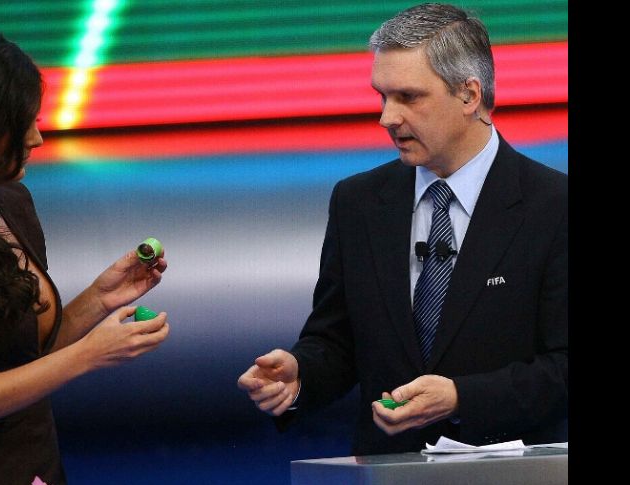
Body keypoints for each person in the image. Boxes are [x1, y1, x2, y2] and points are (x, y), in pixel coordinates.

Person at [237, 2, 567, 455]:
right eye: (382, 96)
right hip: (387, 468)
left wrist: (459, 398)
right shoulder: (358, 202)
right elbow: (336, 342)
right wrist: (299, 376)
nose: (387, 118)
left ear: (469, 96)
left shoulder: (554, 206)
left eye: (408, 97)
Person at [0, 27, 171, 483]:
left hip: (38, 467)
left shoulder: (11, 202)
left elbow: (29, 358)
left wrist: (100, 298)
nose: (37, 138)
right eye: (25, 123)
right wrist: (89, 356)